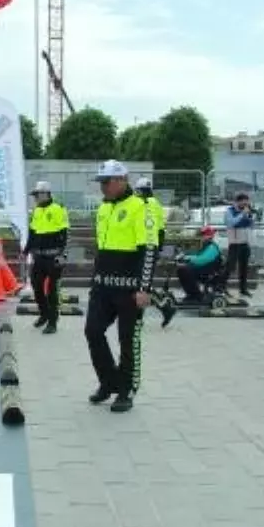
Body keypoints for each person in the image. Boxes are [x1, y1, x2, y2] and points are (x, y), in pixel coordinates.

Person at [85, 160, 158, 414]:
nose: (102, 188)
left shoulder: (140, 208)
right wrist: (96, 278)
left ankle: (126, 390)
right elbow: (101, 248)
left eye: (106, 182)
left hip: (129, 288)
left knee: (127, 340)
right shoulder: (104, 208)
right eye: (101, 183)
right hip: (103, 285)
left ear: (121, 180)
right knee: (93, 332)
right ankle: (109, 381)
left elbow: (148, 250)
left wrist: (144, 288)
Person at [24, 180, 70, 334]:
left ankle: (52, 321)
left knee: (52, 291)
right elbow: (32, 234)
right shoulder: (36, 211)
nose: (35, 198)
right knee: (36, 287)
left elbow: (64, 234)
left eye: (37, 195)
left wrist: (62, 254)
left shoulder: (58, 209)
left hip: (53, 256)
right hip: (39, 257)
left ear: (45, 194)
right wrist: (26, 250)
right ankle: (43, 314)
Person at [175, 227, 223, 302]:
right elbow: (197, 255)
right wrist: (185, 255)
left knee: (185, 271)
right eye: (202, 235)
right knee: (181, 270)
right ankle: (191, 294)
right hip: (202, 269)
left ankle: (196, 295)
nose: (202, 237)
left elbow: (202, 260)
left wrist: (188, 258)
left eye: (204, 235)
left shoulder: (212, 247)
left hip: (208, 271)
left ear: (210, 236)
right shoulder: (206, 246)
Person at [224, 192, 254, 297]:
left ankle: (243, 288)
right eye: (244, 202)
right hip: (234, 243)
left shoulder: (246, 211)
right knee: (230, 266)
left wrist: (249, 217)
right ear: (238, 202)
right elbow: (231, 223)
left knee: (244, 267)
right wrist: (242, 215)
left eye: (247, 202)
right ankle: (221, 287)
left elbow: (250, 224)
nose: (245, 204)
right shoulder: (230, 211)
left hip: (245, 242)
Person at [135, 177, 166, 247]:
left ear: (139, 190)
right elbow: (161, 225)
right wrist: (160, 243)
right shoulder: (156, 203)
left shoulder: (136, 203)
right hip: (152, 242)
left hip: (138, 242)